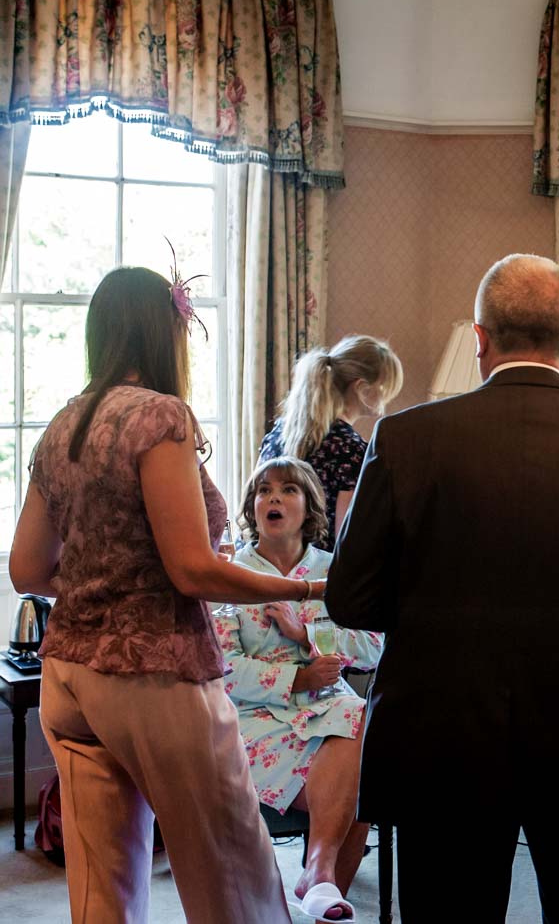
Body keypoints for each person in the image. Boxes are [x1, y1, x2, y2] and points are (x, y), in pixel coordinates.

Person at [326, 253, 559, 923]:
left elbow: (350, 595)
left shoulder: (405, 440)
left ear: (479, 337)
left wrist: (426, 622)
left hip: (441, 734)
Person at [10, 266, 327, 923]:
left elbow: (26, 568)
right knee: (233, 874)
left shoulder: (64, 423)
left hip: (68, 676)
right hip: (154, 672)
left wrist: (101, 582)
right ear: (168, 333)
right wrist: (308, 584)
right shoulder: (159, 416)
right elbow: (192, 571)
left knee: (103, 889)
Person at [217, 457, 385, 922]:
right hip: (257, 716)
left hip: (330, 706)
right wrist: (295, 679)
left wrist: (305, 636)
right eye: (264, 490)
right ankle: (321, 878)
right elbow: (223, 668)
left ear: (309, 506)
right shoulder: (230, 576)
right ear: (252, 508)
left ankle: (320, 876)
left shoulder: (334, 573)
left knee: (362, 726)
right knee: (362, 777)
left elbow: (372, 646)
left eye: (288, 489)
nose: (273, 497)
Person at [259, 335, 404, 547]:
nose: (387, 399)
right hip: (317, 574)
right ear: (362, 389)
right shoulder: (351, 450)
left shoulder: (279, 433)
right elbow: (345, 541)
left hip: (267, 567)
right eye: (384, 390)